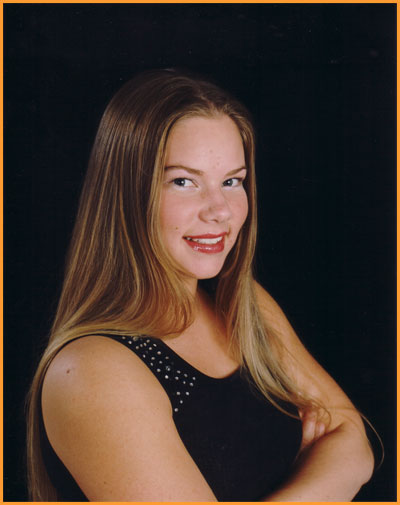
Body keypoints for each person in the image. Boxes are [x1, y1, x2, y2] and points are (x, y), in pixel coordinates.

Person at [27, 69, 373, 501]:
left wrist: (334, 460)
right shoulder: (91, 370)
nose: (221, 211)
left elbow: (355, 439)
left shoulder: (246, 308)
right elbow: (345, 459)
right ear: (128, 194)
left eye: (233, 181)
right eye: (184, 181)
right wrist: (319, 472)